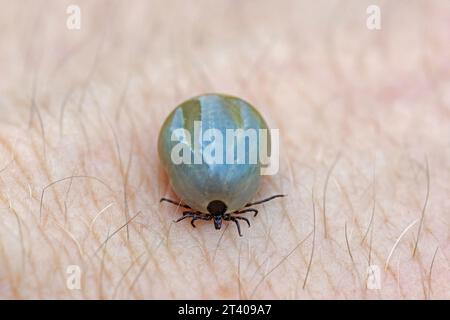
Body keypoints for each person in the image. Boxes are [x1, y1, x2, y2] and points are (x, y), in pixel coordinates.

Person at [0, 0, 448, 299]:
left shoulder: (209, 202)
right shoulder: (224, 203)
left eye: (215, 217)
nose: (216, 222)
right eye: (218, 217)